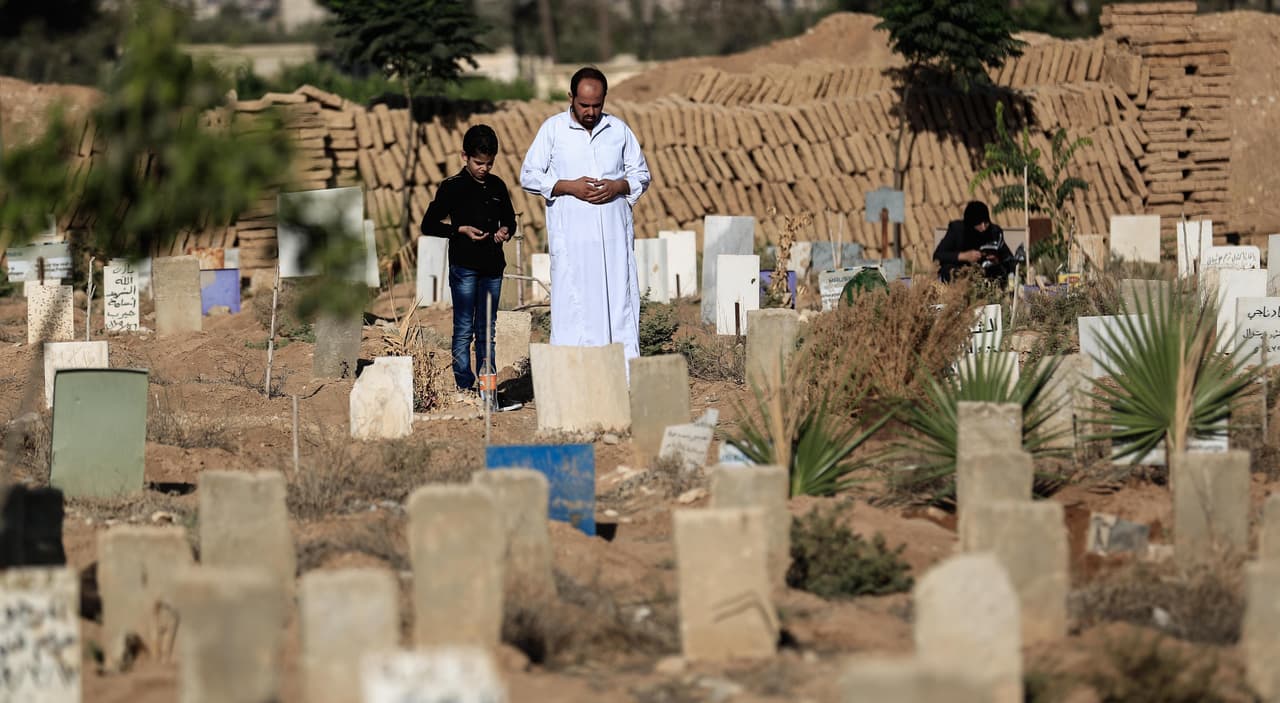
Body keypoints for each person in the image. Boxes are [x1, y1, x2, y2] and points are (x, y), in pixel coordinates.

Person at [520, 66, 651, 363]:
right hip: (573, 243)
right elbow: (528, 175)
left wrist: (619, 185)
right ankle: (575, 379)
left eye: (597, 105)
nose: (591, 111)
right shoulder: (553, 130)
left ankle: (623, 377)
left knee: (619, 305)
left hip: (614, 244)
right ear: (570, 98)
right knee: (574, 309)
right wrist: (569, 186)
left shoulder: (618, 131)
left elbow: (641, 174)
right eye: (584, 105)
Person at [420, 124, 516, 397]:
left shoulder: (497, 186)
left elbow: (509, 219)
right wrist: (458, 230)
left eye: (489, 163)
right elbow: (429, 224)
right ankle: (464, 386)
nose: (483, 168)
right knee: (464, 328)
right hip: (464, 267)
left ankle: (488, 391)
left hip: (493, 268)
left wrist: (505, 231)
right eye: (478, 163)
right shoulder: (452, 188)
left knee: (487, 330)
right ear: (464, 156)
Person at [933, 201, 1014, 283]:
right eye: (979, 223)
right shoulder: (957, 230)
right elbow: (938, 256)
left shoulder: (994, 232)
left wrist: (996, 260)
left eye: (986, 223)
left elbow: (1009, 259)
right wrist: (964, 256)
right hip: (959, 273)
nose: (983, 227)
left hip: (985, 275)